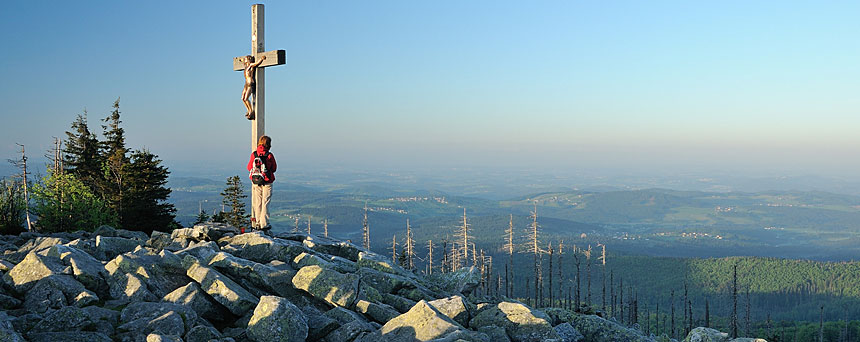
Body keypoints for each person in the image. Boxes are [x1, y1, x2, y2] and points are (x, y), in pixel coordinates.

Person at [247, 135, 277, 230]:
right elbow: (274, 168)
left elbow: (249, 167)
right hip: (267, 182)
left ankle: (258, 223)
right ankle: (264, 224)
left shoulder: (254, 154)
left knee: (258, 203)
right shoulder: (269, 155)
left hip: (256, 181)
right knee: (265, 202)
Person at [242, 55, 266, 120]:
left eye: (246, 59)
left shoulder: (251, 65)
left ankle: (251, 111)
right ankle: (248, 110)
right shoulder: (246, 67)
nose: (245, 60)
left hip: (250, 83)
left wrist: (261, 59)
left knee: (246, 98)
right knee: (243, 98)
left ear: (249, 60)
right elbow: (242, 61)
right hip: (246, 84)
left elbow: (257, 63)